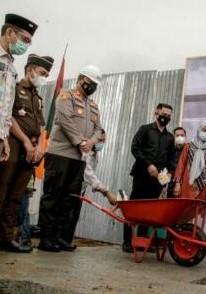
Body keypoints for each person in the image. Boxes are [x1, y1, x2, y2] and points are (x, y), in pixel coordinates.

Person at [38, 65, 103, 252]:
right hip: (60, 154)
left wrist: (90, 143)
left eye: (95, 85)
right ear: (81, 78)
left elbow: (99, 129)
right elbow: (65, 120)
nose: (92, 87)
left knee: (70, 199)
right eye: (90, 83)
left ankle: (61, 238)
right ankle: (47, 239)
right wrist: (79, 141)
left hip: (80, 159)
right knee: (53, 197)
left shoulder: (93, 105)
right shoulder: (66, 97)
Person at [0, 54, 53, 253]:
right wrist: (24, 141)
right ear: (30, 69)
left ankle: (6, 238)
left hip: (31, 152)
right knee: (2, 191)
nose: (44, 77)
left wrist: (39, 147)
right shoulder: (14, 87)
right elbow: (9, 116)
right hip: (14, 144)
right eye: (42, 73)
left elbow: (41, 125)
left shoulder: (37, 97)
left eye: (47, 74)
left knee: (16, 196)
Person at [122, 103, 176, 253]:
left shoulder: (170, 137)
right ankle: (127, 242)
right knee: (133, 209)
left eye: (169, 115)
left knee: (149, 211)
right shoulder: (145, 129)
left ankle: (141, 241)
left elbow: (172, 158)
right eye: (163, 114)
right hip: (141, 175)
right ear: (156, 113)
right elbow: (135, 148)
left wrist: (169, 172)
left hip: (158, 180)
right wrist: (148, 165)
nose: (166, 117)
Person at [0, 14, 37, 163]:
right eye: (25, 39)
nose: (26, 46)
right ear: (9, 33)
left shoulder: (12, 69)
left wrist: (4, 138)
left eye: (29, 42)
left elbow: (6, 108)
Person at [173, 121, 206, 200]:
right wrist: (177, 183)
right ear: (199, 130)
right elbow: (181, 165)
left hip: (205, 187)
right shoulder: (188, 146)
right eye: (204, 130)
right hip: (188, 185)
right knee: (186, 209)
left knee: (201, 210)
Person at [81, 129, 117, 204]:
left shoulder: (95, 155)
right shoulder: (84, 150)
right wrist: (107, 193)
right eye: (99, 140)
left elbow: (91, 181)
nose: (101, 143)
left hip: (80, 190)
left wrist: (102, 191)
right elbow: (88, 174)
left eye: (103, 140)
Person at [167, 126, 186, 198]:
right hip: (170, 188)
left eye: (182, 135)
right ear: (174, 137)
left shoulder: (189, 151)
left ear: (185, 137)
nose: (180, 137)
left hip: (184, 188)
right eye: (177, 135)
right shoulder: (169, 151)